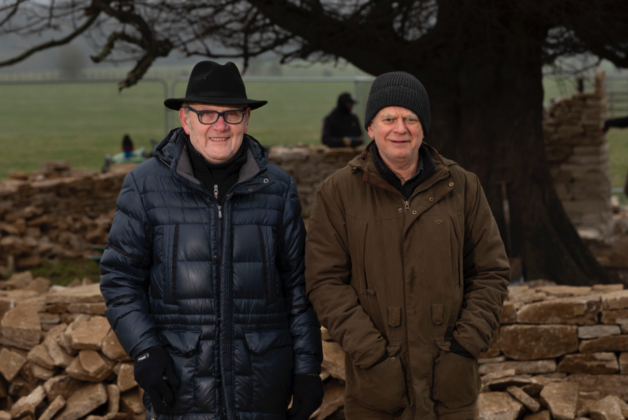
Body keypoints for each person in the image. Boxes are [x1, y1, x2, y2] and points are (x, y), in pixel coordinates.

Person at [100, 60, 323, 420]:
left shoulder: (278, 189)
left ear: (247, 120)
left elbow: (299, 287)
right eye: (207, 114)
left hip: (263, 388)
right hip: (180, 388)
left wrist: (308, 367)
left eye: (232, 114)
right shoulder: (144, 186)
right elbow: (119, 279)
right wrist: (145, 349)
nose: (220, 126)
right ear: (185, 120)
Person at [305, 72, 510, 420]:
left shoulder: (463, 186)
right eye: (388, 118)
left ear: (423, 128)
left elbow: (490, 272)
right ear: (370, 128)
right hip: (376, 393)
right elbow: (325, 283)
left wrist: (463, 348)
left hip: (450, 391)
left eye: (410, 118)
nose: (400, 128)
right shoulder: (338, 192)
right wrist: (373, 356)